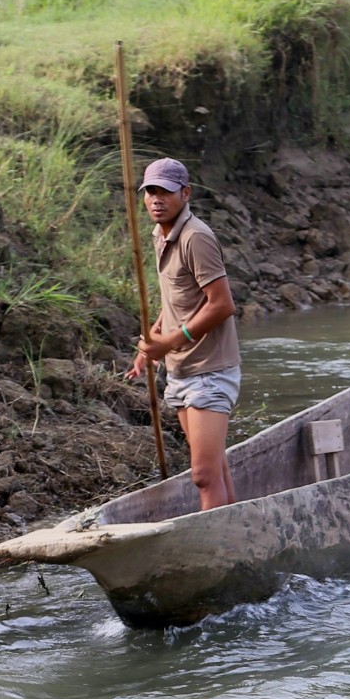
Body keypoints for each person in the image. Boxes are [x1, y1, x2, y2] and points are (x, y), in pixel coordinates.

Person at [123, 157, 241, 510]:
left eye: (166, 192)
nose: (156, 200)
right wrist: (153, 340)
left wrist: (172, 341)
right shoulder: (161, 234)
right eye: (150, 192)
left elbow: (222, 304)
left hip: (210, 370)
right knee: (216, 470)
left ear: (185, 193)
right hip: (182, 369)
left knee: (204, 475)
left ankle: (213, 555)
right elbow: (180, 297)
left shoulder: (195, 238)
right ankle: (231, 538)